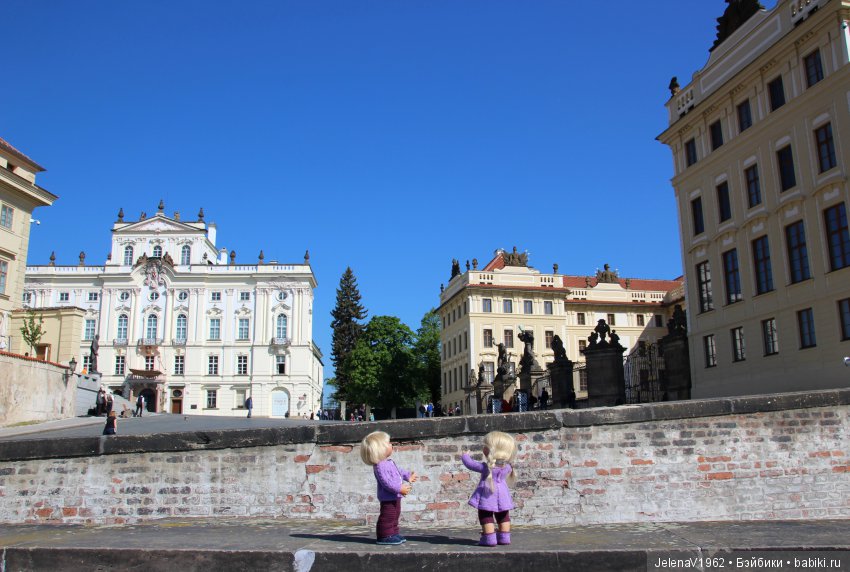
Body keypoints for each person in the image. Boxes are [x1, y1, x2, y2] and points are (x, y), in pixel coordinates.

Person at [460, 431, 517, 546]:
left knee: (485, 515)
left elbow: (470, 464)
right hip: (503, 495)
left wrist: (465, 455)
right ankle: (504, 537)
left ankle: (489, 538)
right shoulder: (508, 467)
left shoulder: (486, 467)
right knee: (503, 514)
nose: (483, 449)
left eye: (485, 447)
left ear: (490, 450)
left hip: (488, 495)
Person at [360, 431, 417, 545]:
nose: (392, 445)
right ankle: (384, 535)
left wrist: (407, 476)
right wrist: (399, 488)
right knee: (388, 516)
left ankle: (393, 532)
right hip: (388, 497)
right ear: (380, 449)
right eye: (389, 443)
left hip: (395, 496)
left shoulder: (388, 462)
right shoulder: (380, 466)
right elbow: (387, 483)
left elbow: (398, 471)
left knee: (396, 514)